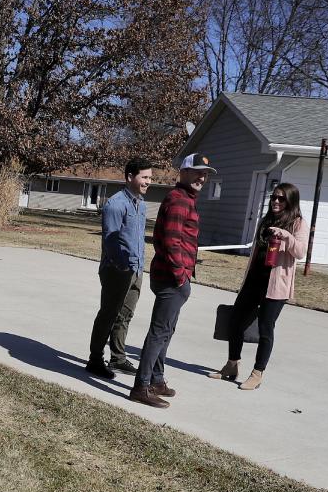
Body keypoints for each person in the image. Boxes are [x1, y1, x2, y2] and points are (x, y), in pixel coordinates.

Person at [129, 153, 216, 408]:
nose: (202, 177)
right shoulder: (179, 201)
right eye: (197, 171)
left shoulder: (186, 199)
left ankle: (156, 379)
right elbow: (170, 242)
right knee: (159, 332)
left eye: (206, 173)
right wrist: (181, 277)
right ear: (184, 172)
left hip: (173, 278)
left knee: (166, 331)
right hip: (171, 278)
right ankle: (141, 386)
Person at [208, 183, 308, 390]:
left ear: (291, 202)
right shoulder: (265, 220)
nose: (276, 201)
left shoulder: (298, 224)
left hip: (276, 286)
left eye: (281, 199)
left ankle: (257, 373)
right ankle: (232, 364)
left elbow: (300, 252)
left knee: (265, 328)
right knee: (235, 321)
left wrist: (286, 236)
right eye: (274, 197)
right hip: (255, 280)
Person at [86, 158, 153, 378]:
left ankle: (118, 358)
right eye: (144, 177)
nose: (148, 182)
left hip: (136, 269)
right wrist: (122, 266)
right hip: (117, 270)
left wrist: (137, 267)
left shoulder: (141, 204)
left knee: (125, 314)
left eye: (150, 178)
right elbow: (110, 240)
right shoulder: (116, 204)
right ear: (130, 177)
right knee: (108, 314)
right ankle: (95, 359)